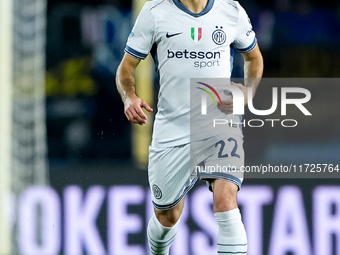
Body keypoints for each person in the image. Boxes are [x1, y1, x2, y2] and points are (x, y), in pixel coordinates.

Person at [116, 0, 263, 254]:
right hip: (172, 128)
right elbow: (126, 68)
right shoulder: (154, 12)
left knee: (226, 199)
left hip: (219, 122)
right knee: (168, 216)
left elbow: (254, 57)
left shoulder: (231, 10)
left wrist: (248, 93)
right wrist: (130, 97)